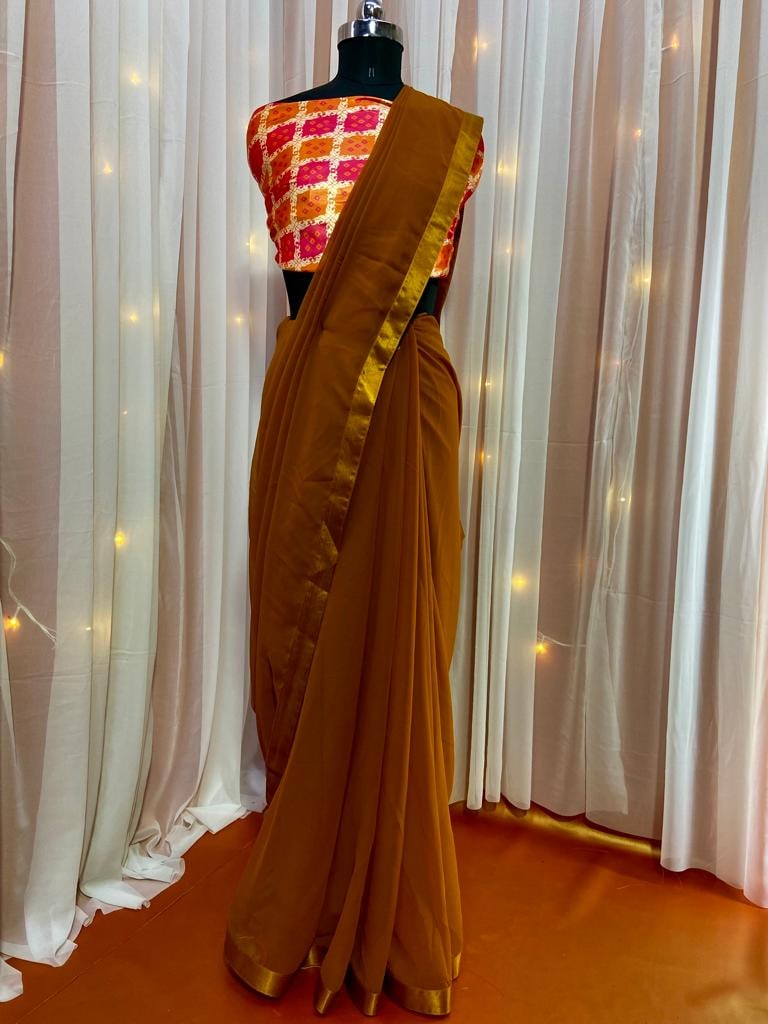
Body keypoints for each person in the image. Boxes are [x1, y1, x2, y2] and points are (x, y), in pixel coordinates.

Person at [223, 5, 484, 1016]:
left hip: (410, 409)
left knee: (404, 636)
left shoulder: (448, 137)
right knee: (298, 627)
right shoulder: (270, 126)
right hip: (305, 401)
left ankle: (392, 900)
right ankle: (312, 877)